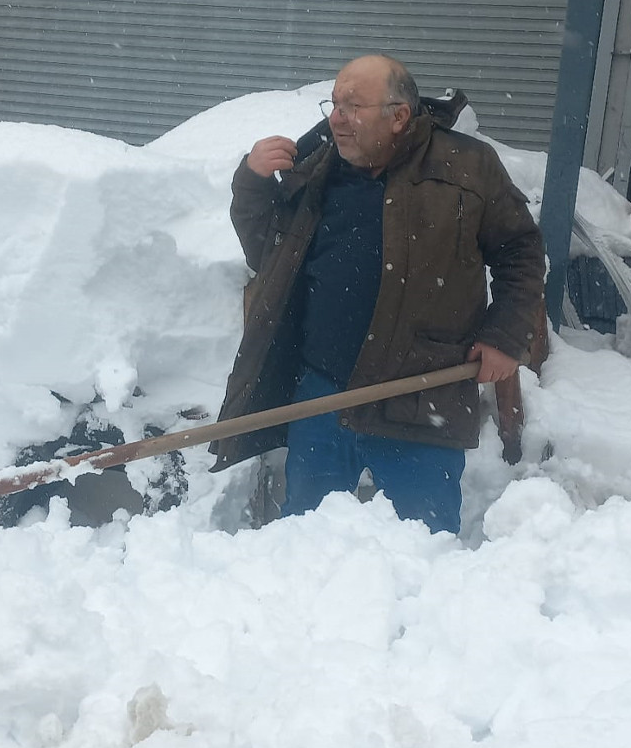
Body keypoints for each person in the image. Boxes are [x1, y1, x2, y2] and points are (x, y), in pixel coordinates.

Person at [208, 54, 546, 533]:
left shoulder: (467, 167)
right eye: (335, 104)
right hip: (323, 395)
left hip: (421, 397)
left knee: (423, 550)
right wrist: (253, 182)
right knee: (300, 544)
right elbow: (271, 253)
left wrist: (508, 334)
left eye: (353, 106)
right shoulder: (318, 158)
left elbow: (521, 251)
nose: (336, 119)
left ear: (398, 116)